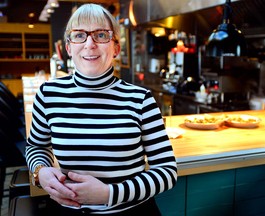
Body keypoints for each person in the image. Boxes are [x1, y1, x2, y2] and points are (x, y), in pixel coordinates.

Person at [25, 3, 177, 215]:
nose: (90, 44)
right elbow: (36, 147)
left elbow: (167, 172)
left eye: (101, 35)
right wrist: (40, 172)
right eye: (79, 36)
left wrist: (110, 194)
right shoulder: (48, 94)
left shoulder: (141, 99)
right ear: (68, 47)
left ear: (116, 47)